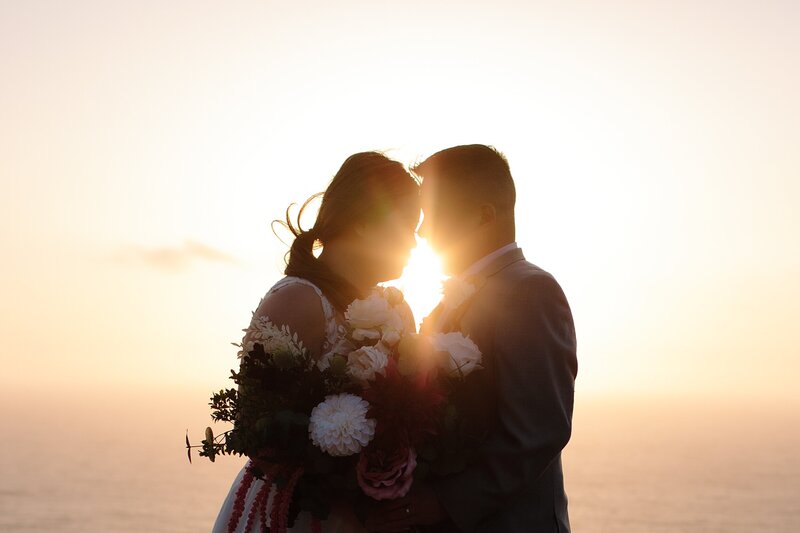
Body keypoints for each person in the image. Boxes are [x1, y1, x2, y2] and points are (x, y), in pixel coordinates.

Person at [366, 144, 578, 533]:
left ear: (484, 215)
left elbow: (537, 433)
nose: (422, 231)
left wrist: (442, 503)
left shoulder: (531, 291)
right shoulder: (452, 300)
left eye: (435, 215)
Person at [212, 151, 420, 533]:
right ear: (362, 222)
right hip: (296, 513)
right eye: (407, 224)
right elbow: (255, 427)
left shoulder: (396, 311)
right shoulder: (297, 301)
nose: (415, 241)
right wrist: (339, 465)